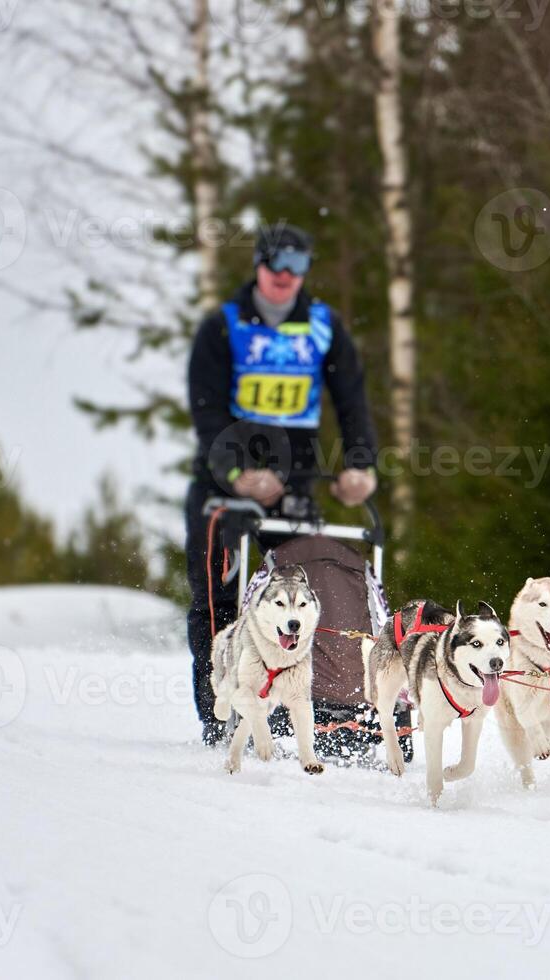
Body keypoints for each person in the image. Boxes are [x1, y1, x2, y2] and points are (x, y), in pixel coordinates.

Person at [185, 224, 378, 745]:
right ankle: (220, 718)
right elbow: (207, 414)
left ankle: (289, 710)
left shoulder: (322, 327)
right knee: (220, 604)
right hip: (223, 490)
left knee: (291, 601)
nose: (285, 278)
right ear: (260, 265)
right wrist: (237, 472)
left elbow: (352, 401)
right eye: (277, 266)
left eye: (297, 268)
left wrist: (361, 464)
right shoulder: (223, 328)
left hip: (293, 487)